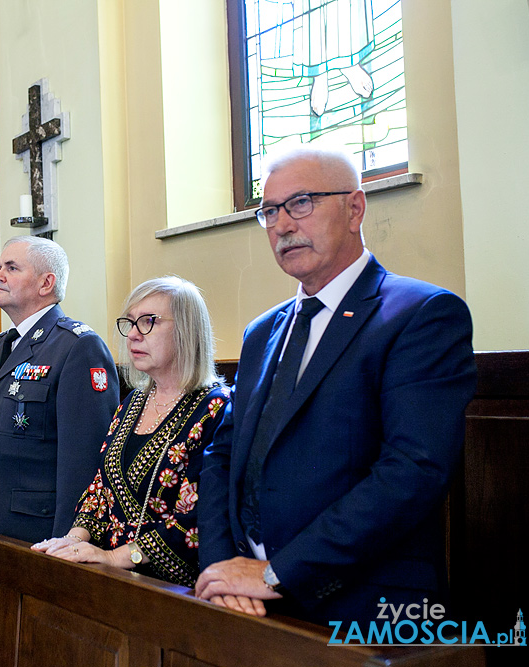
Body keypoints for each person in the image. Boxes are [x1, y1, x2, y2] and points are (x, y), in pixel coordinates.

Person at [194, 147, 477, 626]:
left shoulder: (420, 315)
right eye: (269, 211)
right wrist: (222, 566)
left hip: (362, 604)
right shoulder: (262, 332)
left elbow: (412, 471)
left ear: (355, 208)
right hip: (245, 598)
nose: (282, 225)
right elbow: (223, 455)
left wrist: (277, 574)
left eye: (301, 202)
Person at [32, 277, 229, 586]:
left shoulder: (215, 408)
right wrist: (72, 539)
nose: (133, 335)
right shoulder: (135, 400)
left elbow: (195, 520)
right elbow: (101, 487)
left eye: (148, 322)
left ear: (187, 330)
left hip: (173, 588)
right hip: (112, 577)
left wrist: (115, 558)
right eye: (130, 323)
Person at [0, 236, 119, 543]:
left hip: (36, 534)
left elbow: (84, 464)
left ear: (46, 283)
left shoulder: (77, 346)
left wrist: (67, 541)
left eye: (11, 267)